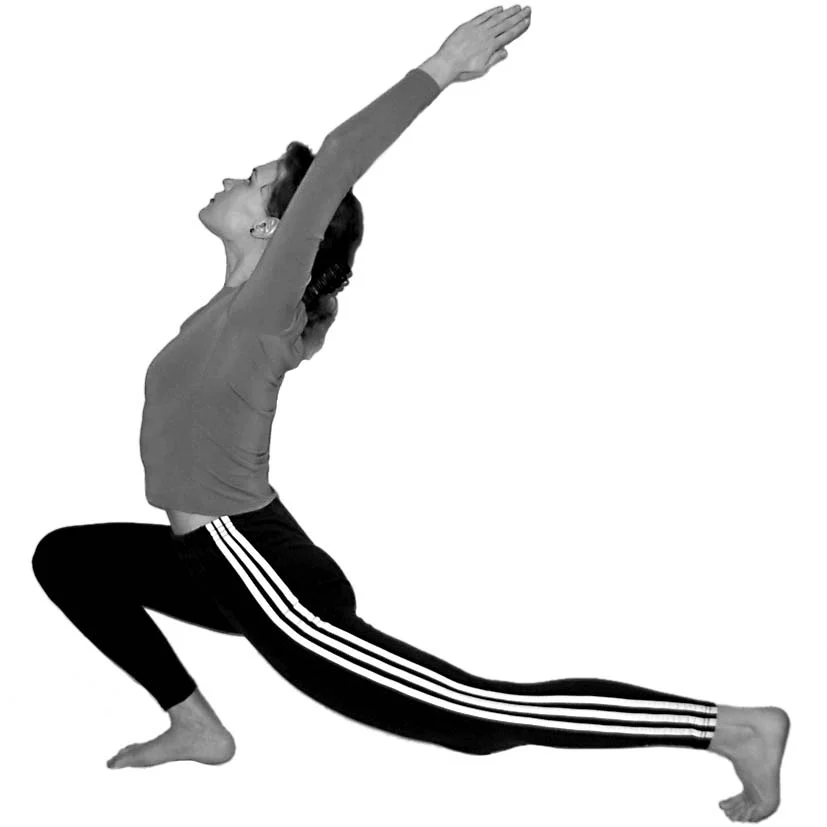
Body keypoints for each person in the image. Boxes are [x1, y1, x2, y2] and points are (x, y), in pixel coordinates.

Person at [31, 6, 787, 822]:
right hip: (221, 556)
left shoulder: (261, 312)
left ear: (274, 225)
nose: (230, 179)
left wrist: (440, 68)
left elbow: (335, 164)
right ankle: (196, 724)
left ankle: (732, 726)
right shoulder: (226, 313)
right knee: (70, 558)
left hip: (258, 569)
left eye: (251, 179)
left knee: (476, 717)